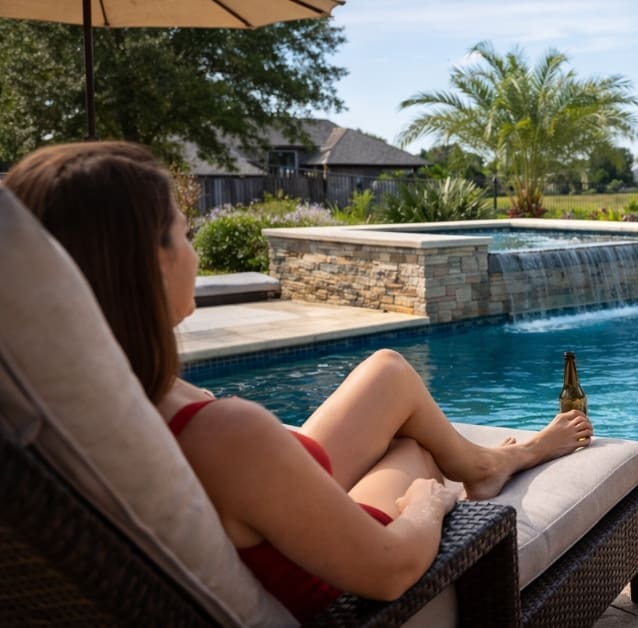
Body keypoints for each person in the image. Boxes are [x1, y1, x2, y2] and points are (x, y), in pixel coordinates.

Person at [2, 141, 595, 622]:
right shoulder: (222, 434)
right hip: (342, 574)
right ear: (147, 263)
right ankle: (480, 470)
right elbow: (389, 569)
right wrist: (429, 505)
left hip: (264, 497)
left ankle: (484, 464)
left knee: (388, 371)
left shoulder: (103, 394)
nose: (194, 251)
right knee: (415, 452)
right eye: (184, 233)